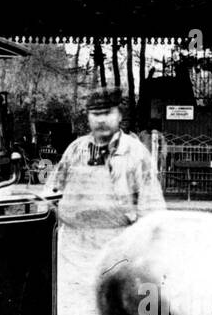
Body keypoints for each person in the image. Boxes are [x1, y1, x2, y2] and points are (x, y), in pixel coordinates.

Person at [47, 87, 166, 279]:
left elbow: (152, 211)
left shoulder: (136, 154)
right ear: (88, 117)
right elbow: (51, 194)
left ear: (120, 115)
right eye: (95, 114)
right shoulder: (76, 150)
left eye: (108, 113)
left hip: (117, 253)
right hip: (73, 254)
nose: (101, 120)